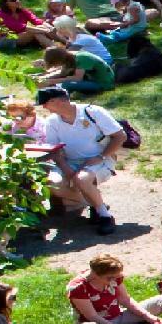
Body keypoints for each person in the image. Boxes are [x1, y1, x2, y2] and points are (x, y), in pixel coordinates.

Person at [34, 87, 125, 233]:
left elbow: (120, 136)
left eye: (46, 103)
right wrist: (65, 168)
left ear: (59, 101)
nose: (44, 107)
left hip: (99, 159)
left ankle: (104, 216)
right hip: (69, 161)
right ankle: (96, 204)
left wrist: (100, 156)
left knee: (82, 179)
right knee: (53, 184)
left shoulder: (93, 112)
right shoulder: (51, 121)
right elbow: (55, 150)